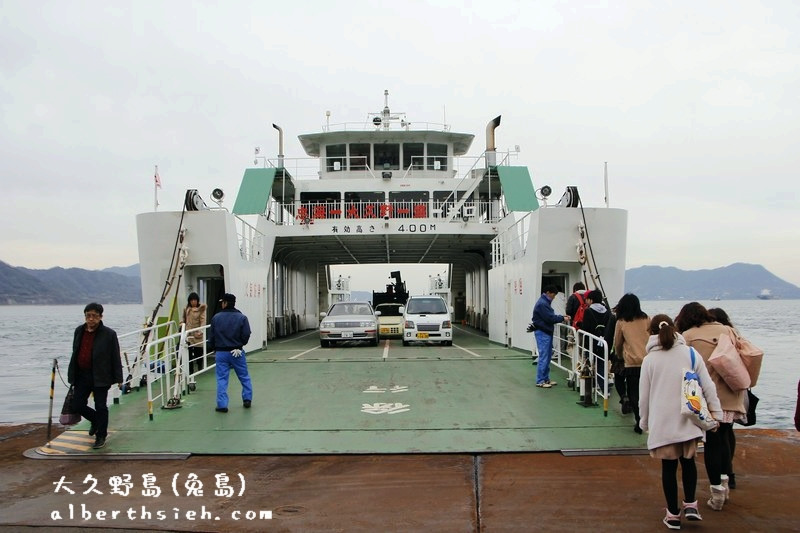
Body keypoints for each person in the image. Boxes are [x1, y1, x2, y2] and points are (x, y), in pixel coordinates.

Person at [639, 314, 722, 530]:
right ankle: (692, 505)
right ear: (675, 330)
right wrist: (716, 414)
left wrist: (645, 423)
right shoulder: (691, 353)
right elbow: (708, 386)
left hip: (663, 423)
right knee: (688, 463)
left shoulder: (649, 361)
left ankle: (673, 515)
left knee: (668, 468)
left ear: (652, 333)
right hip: (689, 421)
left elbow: (644, 398)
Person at [676, 302, 744, 511]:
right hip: (732, 393)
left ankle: (717, 494)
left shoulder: (687, 336)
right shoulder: (728, 330)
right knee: (725, 438)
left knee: (712, 445)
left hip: (707, 397)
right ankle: (726, 481)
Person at [67, 303, 123, 449]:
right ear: (85, 316)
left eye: (94, 316)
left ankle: (101, 436)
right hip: (81, 375)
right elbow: (75, 352)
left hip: (101, 375)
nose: (91, 319)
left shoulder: (109, 334)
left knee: (101, 406)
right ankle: (96, 421)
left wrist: (119, 378)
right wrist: (72, 374)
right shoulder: (79, 331)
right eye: (88, 316)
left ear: (100, 317)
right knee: (77, 404)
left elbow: (115, 356)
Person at [208, 293, 253, 412]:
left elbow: (211, 337)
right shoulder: (242, 317)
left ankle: (222, 405)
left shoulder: (216, 318)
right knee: (244, 376)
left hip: (221, 353)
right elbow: (246, 334)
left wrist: (213, 347)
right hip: (237, 352)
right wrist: (240, 345)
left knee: (222, 379)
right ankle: (247, 399)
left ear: (225, 303)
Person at [613, 293, 650, 434]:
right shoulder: (646, 318)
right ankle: (648, 420)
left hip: (632, 363)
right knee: (648, 393)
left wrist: (619, 355)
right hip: (648, 362)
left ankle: (639, 420)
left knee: (633, 392)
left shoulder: (621, 322)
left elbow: (618, 343)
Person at [532, 284, 569, 388]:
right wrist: (562, 318)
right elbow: (550, 318)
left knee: (547, 356)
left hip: (545, 331)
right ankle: (540, 380)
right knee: (544, 356)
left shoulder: (544, 302)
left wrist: (561, 317)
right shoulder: (543, 304)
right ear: (548, 293)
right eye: (553, 295)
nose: (553, 298)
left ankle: (546, 379)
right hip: (543, 332)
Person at [579, 289, 610, 393]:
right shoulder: (607, 312)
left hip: (591, 343)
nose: (586, 301)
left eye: (587, 299)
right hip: (603, 343)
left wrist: (579, 325)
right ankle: (605, 389)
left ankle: (590, 387)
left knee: (588, 364)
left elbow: (586, 328)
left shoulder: (589, 311)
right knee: (601, 366)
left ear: (591, 300)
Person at [182, 292, 207, 374]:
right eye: (192, 300)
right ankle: (190, 370)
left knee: (198, 352)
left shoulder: (201, 309)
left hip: (197, 334)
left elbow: (203, 321)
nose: (193, 302)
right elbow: (183, 319)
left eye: (195, 300)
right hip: (188, 334)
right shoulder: (186, 309)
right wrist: (182, 326)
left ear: (197, 301)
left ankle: (200, 365)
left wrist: (200, 331)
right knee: (188, 352)